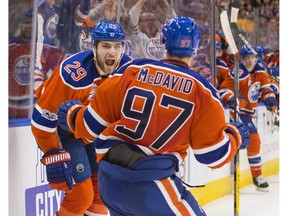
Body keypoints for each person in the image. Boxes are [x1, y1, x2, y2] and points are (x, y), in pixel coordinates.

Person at [57, 16, 250, 215]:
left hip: (110, 183)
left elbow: (89, 127)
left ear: (163, 42)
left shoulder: (131, 70)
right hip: (151, 187)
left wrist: (72, 114)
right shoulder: (203, 91)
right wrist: (235, 137)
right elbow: (211, 156)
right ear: (196, 47)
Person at [30, 20, 132, 216]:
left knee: (102, 195)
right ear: (94, 47)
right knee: (80, 197)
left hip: (93, 133)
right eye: (106, 46)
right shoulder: (72, 74)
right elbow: (41, 121)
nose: (112, 52)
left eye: (117, 46)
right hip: (66, 132)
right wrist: (53, 153)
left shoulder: (128, 70)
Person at [219, 45, 278, 192]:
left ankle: (255, 176)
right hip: (238, 113)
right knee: (254, 140)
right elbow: (223, 89)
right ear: (242, 59)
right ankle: (257, 176)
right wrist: (231, 98)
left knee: (249, 142)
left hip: (249, 112)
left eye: (253, 57)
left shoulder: (260, 71)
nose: (251, 61)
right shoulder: (237, 72)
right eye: (247, 58)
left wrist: (269, 97)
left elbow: (265, 87)